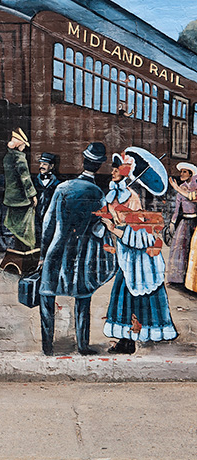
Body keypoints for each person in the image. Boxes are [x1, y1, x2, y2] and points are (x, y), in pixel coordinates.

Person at [37, 142, 116, 355]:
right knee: (82, 298)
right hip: (82, 254)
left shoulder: (62, 188)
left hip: (56, 250)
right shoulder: (98, 194)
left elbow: (48, 223)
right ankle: (82, 345)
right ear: (99, 166)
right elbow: (99, 230)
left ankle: (47, 346)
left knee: (47, 296)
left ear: (83, 161)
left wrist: (43, 254)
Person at [101, 151, 178, 354]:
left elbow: (137, 235)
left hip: (140, 258)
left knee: (134, 297)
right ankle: (127, 340)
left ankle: (131, 340)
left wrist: (112, 228)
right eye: (113, 168)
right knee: (123, 297)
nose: (113, 172)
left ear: (126, 172)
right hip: (126, 255)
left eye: (117, 169)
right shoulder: (115, 194)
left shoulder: (133, 198)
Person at [3, 128, 37, 250]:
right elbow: (25, 178)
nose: (24, 147)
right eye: (23, 144)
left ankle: (17, 249)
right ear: (19, 144)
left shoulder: (7, 157)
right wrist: (32, 195)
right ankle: (26, 249)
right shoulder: (20, 158)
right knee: (24, 226)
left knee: (14, 225)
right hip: (21, 199)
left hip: (10, 198)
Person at [167, 162, 197, 287]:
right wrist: (172, 222)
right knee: (179, 248)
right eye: (181, 171)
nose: (181, 174)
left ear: (190, 174)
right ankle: (178, 279)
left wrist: (176, 188)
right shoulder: (181, 187)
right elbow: (177, 207)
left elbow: (192, 197)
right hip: (185, 221)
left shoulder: (195, 186)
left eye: (185, 172)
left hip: (195, 221)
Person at [33, 152, 60, 243]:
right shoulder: (33, 181)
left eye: (44, 164)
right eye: (40, 163)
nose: (41, 166)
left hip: (50, 216)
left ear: (51, 166)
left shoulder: (58, 184)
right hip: (35, 216)